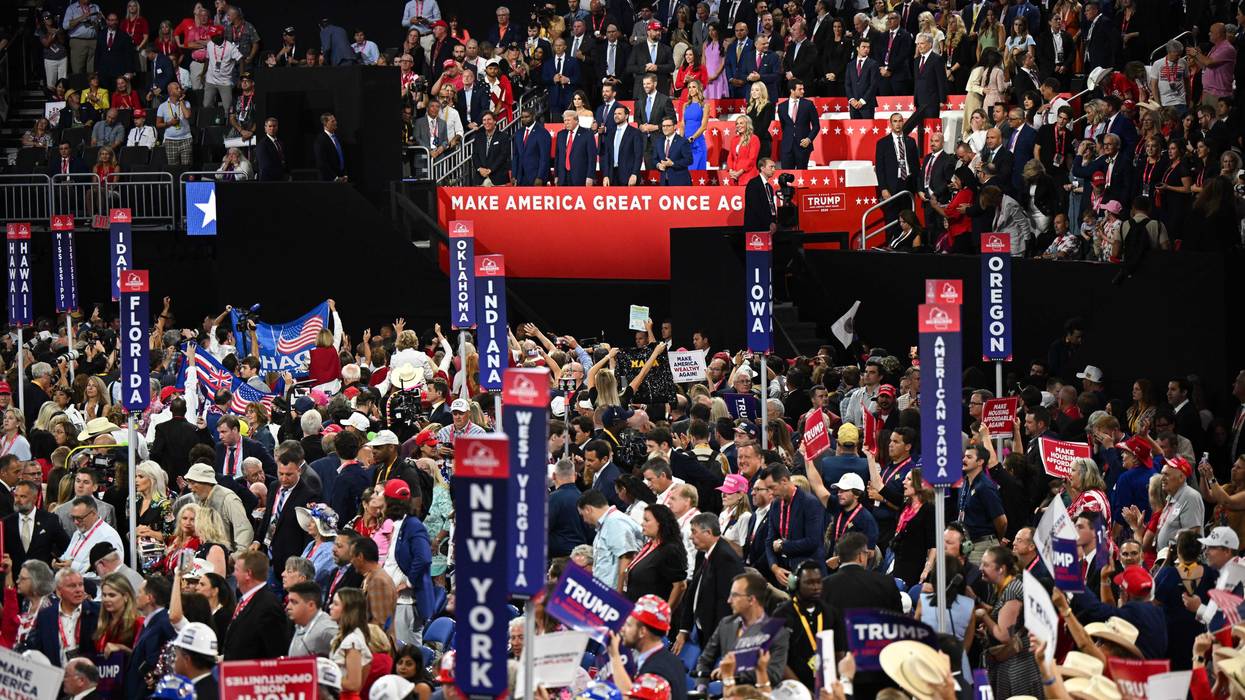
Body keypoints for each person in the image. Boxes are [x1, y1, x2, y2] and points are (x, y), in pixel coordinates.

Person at [694, 571, 788, 688]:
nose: (729, 600)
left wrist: (734, 672)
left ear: (751, 600)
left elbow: (774, 675)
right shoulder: (726, 624)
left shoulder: (776, 631)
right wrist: (701, 689)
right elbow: (704, 661)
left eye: (734, 595)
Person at [977, 546, 1043, 697]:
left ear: (1001, 569)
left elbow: (1004, 636)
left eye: (986, 565)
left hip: (1017, 669)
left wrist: (984, 617)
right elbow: (1000, 615)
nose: (981, 568)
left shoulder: (1012, 591)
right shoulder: (1003, 586)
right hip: (1012, 664)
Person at [674, 511, 742, 654]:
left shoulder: (725, 558)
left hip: (715, 635)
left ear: (708, 533)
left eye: (694, 532)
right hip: (700, 629)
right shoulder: (704, 553)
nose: (691, 536)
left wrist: (716, 641)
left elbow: (726, 603)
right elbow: (693, 591)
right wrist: (684, 629)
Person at [607, 595, 687, 700]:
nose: (623, 629)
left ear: (642, 632)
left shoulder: (657, 671)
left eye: (629, 625)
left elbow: (629, 697)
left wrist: (615, 655)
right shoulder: (670, 660)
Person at [22, 568, 100, 665]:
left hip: (89, 676)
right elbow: (36, 649)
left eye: (80, 584)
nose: (78, 590)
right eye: (72, 586)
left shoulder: (97, 612)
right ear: (59, 590)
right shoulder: (45, 616)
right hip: (56, 676)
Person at [221, 551, 290, 660]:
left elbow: (275, 652)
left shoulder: (268, 605)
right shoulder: (247, 600)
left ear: (248, 574)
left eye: (237, 570)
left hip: (253, 674)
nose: (234, 574)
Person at [766, 464, 825, 586]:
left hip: (809, 576)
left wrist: (783, 546)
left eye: (772, 488)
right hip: (783, 574)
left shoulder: (810, 503)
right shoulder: (775, 505)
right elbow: (770, 540)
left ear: (784, 481)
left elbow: (812, 541)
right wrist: (774, 568)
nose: (770, 493)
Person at [577, 489, 641, 590]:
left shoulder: (614, 522)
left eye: (582, 515)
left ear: (588, 509)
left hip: (614, 592)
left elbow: (627, 558)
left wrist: (619, 594)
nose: (584, 520)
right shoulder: (607, 523)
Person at [57, 496, 124, 576]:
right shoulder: (77, 533)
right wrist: (59, 563)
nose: (75, 522)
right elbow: (68, 556)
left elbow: (111, 572)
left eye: (80, 518)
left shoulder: (107, 536)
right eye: (73, 517)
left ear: (93, 514)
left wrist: (73, 567)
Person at [328, 588, 372, 700]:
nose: (330, 607)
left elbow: (354, 684)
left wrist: (323, 676)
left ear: (348, 610)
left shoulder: (352, 640)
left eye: (335, 604)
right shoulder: (346, 637)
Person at [171, 622, 220, 700]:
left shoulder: (193, 696)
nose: (173, 660)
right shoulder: (219, 687)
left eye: (175, 654)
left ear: (187, 659)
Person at [777, 79, 818, 169]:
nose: (803, 91)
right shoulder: (781, 107)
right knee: (786, 176)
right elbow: (784, 126)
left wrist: (809, 139)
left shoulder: (808, 104)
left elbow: (816, 126)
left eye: (803, 89)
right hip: (787, 147)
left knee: (802, 176)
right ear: (792, 90)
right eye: (800, 89)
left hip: (803, 146)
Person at [601, 105, 644, 187]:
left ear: (626, 116)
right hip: (612, 177)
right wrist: (606, 175)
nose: (616, 116)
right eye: (615, 114)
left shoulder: (635, 133)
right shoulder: (609, 133)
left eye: (619, 114)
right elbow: (607, 155)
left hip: (629, 176)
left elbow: (638, 155)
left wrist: (634, 174)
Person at [554, 109, 597, 186]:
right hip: (563, 177)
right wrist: (556, 175)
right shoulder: (561, 134)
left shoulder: (587, 134)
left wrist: (590, 176)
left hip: (580, 177)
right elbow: (558, 157)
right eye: (565, 120)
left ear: (576, 121)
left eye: (568, 120)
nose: (566, 122)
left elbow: (592, 157)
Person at [469, 112, 510, 186]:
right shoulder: (478, 137)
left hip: (498, 179)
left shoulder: (503, 136)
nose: (486, 122)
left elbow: (503, 156)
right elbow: (475, 155)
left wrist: (490, 170)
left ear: (495, 121)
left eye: (489, 119)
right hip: (480, 179)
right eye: (484, 120)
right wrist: (479, 169)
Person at [654, 118, 692, 186]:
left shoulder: (682, 141)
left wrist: (672, 163)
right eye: (663, 126)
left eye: (668, 126)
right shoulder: (659, 141)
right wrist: (658, 165)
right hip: (664, 183)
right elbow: (654, 159)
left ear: (674, 127)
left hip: (680, 183)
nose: (665, 128)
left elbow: (689, 160)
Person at [725, 115, 760, 186]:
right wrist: (731, 171)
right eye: (737, 124)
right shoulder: (734, 139)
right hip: (734, 177)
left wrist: (739, 173)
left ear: (747, 124)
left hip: (748, 176)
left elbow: (752, 159)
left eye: (741, 123)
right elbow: (730, 157)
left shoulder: (754, 138)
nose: (738, 125)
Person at [315, 112, 348, 182]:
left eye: (335, 120)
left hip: (341, 178)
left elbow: (342, 157)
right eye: (332, 121)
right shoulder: (320, 140)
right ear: (325, 123)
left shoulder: (338, 137)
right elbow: (322, 163)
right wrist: (335, 178)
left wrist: (344, 175)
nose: (336, 123)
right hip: (329, 181)